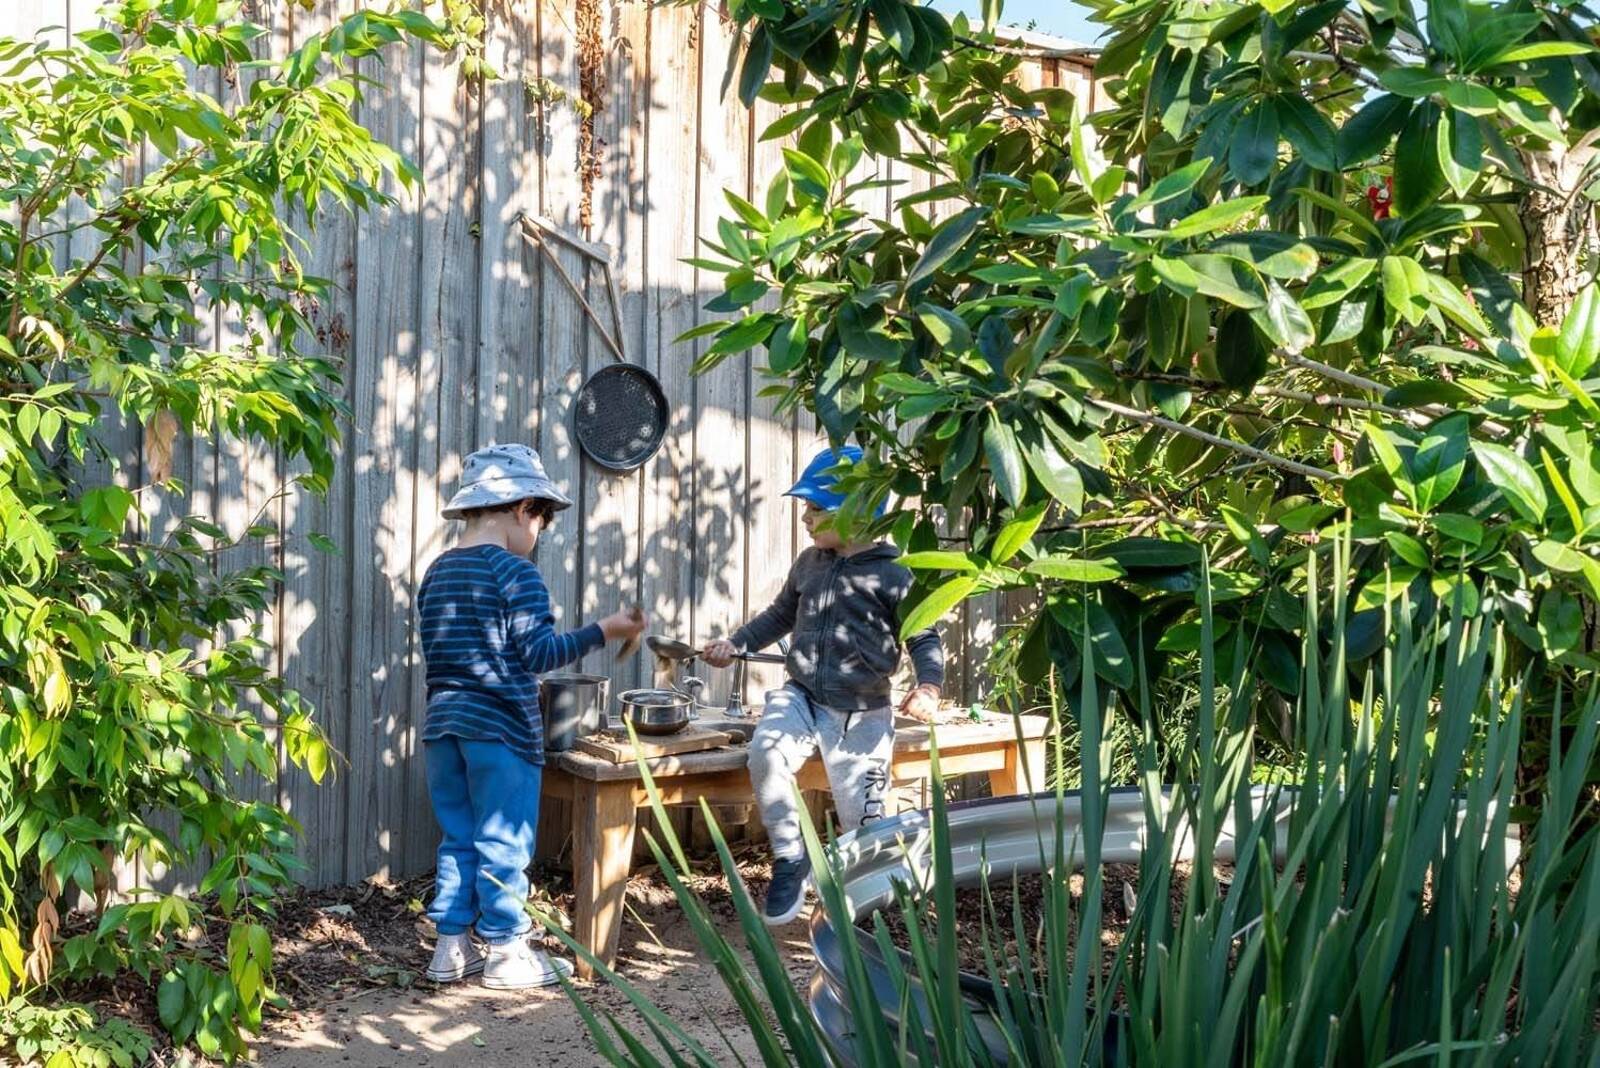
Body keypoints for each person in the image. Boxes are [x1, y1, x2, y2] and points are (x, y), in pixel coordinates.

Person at [417, 444, 646, 988]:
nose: (539, 531)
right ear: (522, 508)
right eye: (542, 517)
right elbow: (538, 654)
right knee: (504, 838)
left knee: (459, 835)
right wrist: (605, 630)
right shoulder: (515, 574)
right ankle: (504, 950)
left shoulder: (437, 572)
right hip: (500, 729)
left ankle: (451, 947)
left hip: (442, 724)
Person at [703, 445, 944, 925]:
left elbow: (922, 632)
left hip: (862, 710)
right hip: (801, 695)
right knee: (765, 754)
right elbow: (780, 615)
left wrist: (930, 687)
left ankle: (873, 911)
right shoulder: (811, 563)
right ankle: (791, 856)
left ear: (855, 509)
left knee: (864, 821)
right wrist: (737, 643)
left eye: (815, 508)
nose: (805, 519)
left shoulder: (894, 573)